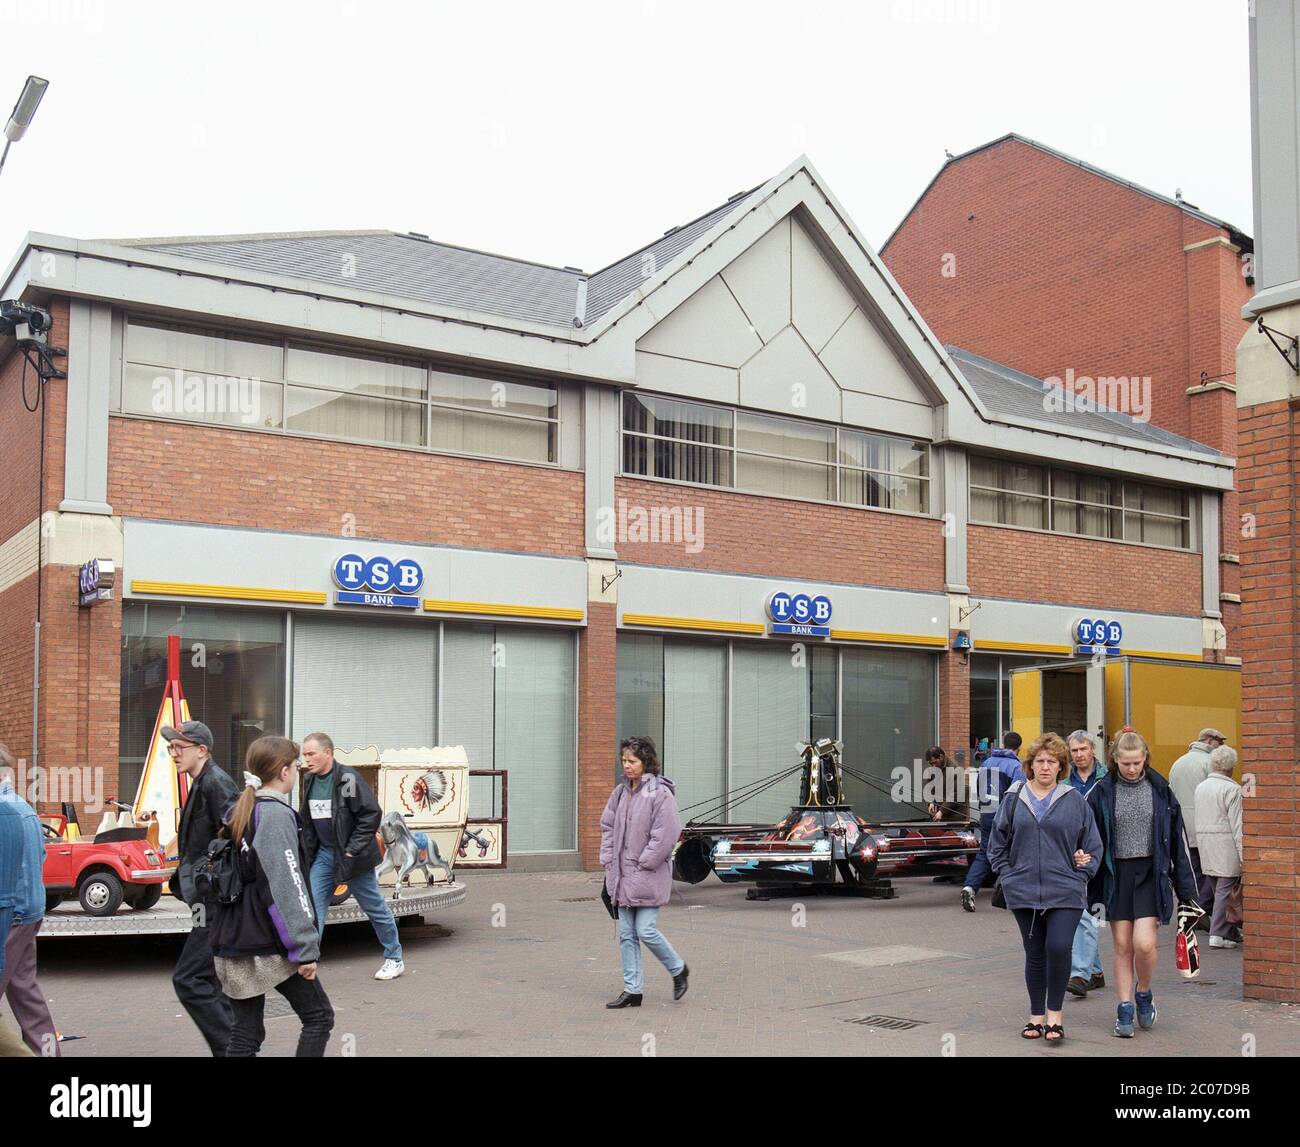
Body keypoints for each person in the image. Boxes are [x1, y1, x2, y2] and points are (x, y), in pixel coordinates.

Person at [212, 736, 334, 1056]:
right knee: (318, 1017)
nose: (298, 770)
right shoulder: (276, 815)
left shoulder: (241, 809)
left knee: (246, 1034)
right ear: (283, 772)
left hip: (232, 936)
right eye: (295, 765)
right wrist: (305, 948)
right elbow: (286, 886)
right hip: (266, 942)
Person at [986, 732, 1101, 1043]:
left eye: (1052, 762)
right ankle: (1036, 1016)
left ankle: (1055, 1016)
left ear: (1061, 766)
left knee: (1059, 947)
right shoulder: (1014, 799)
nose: (1046, 767)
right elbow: (996, 845)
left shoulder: (1074, 800)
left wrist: (1083, 870)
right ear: (1030, 765)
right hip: (1023, 891)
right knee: (1034, 953)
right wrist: (1008, 875)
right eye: (1040, 761)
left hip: (1065, 889)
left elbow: (1093, 845)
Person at [1087, 729, 1200, 1038]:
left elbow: (1178, 842)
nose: (1132, 769)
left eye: (1137, 762)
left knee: (1144, 944)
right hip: (1116, 875)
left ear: (1146, 759)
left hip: (1152, 873)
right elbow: (1086, 832)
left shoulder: (1161, 790)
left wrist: (1188, 893)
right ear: (1115, 761)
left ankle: (1144, 992)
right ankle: (1124, 1009)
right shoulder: (1100, 791)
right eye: (1125, 763)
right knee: (1123, 945)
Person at [301, 732, 404, 981]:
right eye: (304, 754)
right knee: (313, 910)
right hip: (324, 856)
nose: (307, 759)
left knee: (374, 907)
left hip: (353, 858)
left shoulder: (347, 778)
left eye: (311, 754)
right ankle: (307, 963)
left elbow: (370, 814)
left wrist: (351, 850)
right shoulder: (309, 780)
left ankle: (394, 958)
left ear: (328, 753)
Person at [166, 719, 241, 1056]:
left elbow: (239, 835)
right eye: (170, 747)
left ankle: (233, 1051)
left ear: (202, 749)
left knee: (189, 980)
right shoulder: (201, 782)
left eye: (179, 747)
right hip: (204, 901)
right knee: (210, 981)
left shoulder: (216, 783)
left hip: (214, 905)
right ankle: (238, 1047)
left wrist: (212, 876)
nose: (173, 752)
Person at [599, 736, 688, 1008]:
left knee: (645, 930)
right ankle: (632, 990)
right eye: (623, 760)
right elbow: (608, 827)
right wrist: (608, 859)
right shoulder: (620, 792)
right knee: (626, 934)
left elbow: (666, 835)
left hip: (647, 875)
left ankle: (678, 969)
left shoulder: (660, 794)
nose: (626, 765)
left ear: (646, 762)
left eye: (632, 761)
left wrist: (644, 862)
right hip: (622, 876)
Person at [0, 746, 59, 1056]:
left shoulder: (3, 810)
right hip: (29, 910)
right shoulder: (22, 807)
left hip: (12, 914)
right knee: (26, 993)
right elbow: (41, 856)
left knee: (25, 992)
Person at [1064, 731, 1108, 998]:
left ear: (1093, 749)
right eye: (1074, 751)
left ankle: (1080, 973)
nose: (1079, 755)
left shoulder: (1106, 780)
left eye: (1083, 749)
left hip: (1099, 851)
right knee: (1084, 914)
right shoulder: (1065, 781)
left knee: (1088, 913)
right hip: (1071, 853)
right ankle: (1094, 971)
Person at [960, 731, 1024, 911]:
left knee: (985, 853)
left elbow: (979, 788)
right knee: (1013, 853)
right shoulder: (1016, 767)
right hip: (1006, 817)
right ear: (1018, 748)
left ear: (1003, 744)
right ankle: (1009, 895)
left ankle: (970, 887)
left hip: (987, 814)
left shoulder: (987, 762)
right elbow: (1018, 795)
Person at [1168, 727, 1227, 916]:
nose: (1222, 746)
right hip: (1206, 824)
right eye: (1220, 742)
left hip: (1184, 825)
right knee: (1212, 871)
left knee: (1193, 870)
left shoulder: (1178, 762)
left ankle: (1195, 907)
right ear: (1210, 741)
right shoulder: (1209, 762)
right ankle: (1203, 909)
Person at [1193, 745, 1244, 949]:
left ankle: (1229, 931)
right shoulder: (1232, 789)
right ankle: (1217, 933)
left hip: (1205, 843)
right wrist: (1243, 854)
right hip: (1225, 845)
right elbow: (1238, 825)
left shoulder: (1201, 787)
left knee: (1218, 889)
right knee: (1225, 890)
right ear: (1231, 766)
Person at [925, 746, 967, 821]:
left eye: (935, 762)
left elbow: (954, 794)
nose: (933, 766)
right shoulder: (932, 768)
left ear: (941, 757)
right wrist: (930, 802)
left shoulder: (954, 769)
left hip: (955, 815)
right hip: (939, 814)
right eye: (931, 763)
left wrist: (941, 811)